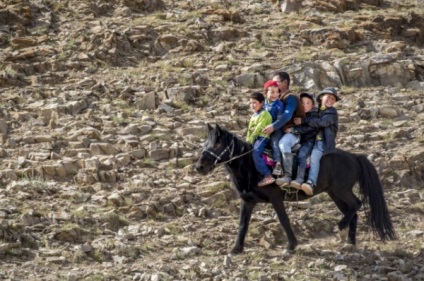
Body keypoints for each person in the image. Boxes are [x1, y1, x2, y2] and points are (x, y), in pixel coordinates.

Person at [263, 71, 305, 187]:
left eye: (276, 82)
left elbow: (287, 116)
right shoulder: (276, 99)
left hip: (293, 132)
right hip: (280, 130)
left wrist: (273, 127)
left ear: (285, 82)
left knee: (282, 144)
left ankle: (287, 175)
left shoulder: (291, 97)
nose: (273, 85)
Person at [300, 87, 340, 195]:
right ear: (321, 96)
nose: (331, 100)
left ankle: (311, 182)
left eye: (333, 99)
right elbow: (310, 126)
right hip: (311, 140)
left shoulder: (332, 112)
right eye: (329, 97)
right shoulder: (316, 110)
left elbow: (322, 122)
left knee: (315, 156)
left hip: (322, 141)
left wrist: (305, 120)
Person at [290, 92, 319, 189]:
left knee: (301, 155)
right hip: (299, 140)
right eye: (302, 103)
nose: (305, 105)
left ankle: (300, 178)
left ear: (313, 105)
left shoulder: (314, 114)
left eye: (308, 103)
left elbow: (310, 128)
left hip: (309, 140)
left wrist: (295, 130)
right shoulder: (298, 114)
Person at [246, 92, 275, 187]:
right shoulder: (253, 116)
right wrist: (247, 142)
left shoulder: (265, 114)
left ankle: (267, 175)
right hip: (254, 138)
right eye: (250, 103)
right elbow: (249, 131)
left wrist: (251, 139)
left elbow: (258, 128)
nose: (252, 105)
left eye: (254, 102)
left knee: (255, 152)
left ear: (262, 103)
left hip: (262, 137)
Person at [262, 80, 284, 176]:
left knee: (275, 142)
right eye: (272, 92)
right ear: (266, 93)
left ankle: (278, 164)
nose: (275, 94)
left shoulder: (279, 105)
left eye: (277, 92)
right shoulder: (264, 104)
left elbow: (280, 120)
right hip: (264, 128)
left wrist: (272, 127)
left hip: (276, 129)